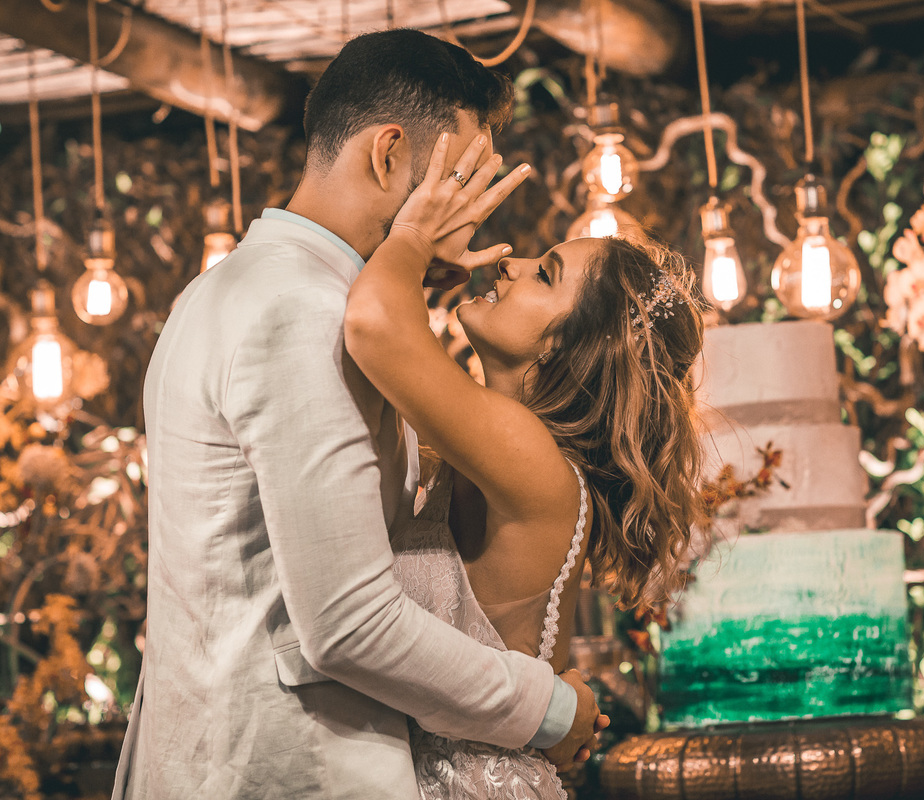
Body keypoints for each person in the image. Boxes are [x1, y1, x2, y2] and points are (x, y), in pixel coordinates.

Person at [112, 30, 602, 800]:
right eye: (465, 177)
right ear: (387, 155)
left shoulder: (226, 287)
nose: (476, 211)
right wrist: (547, 708)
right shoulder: (303, 312)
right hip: (286, 766)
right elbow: (348, 623)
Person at [344, 131, 706, 798]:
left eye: (546, 274)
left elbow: (373, 323)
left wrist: (415, 234)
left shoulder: (529, 454)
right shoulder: (493, 447)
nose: (509, 262)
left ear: (568, 349)